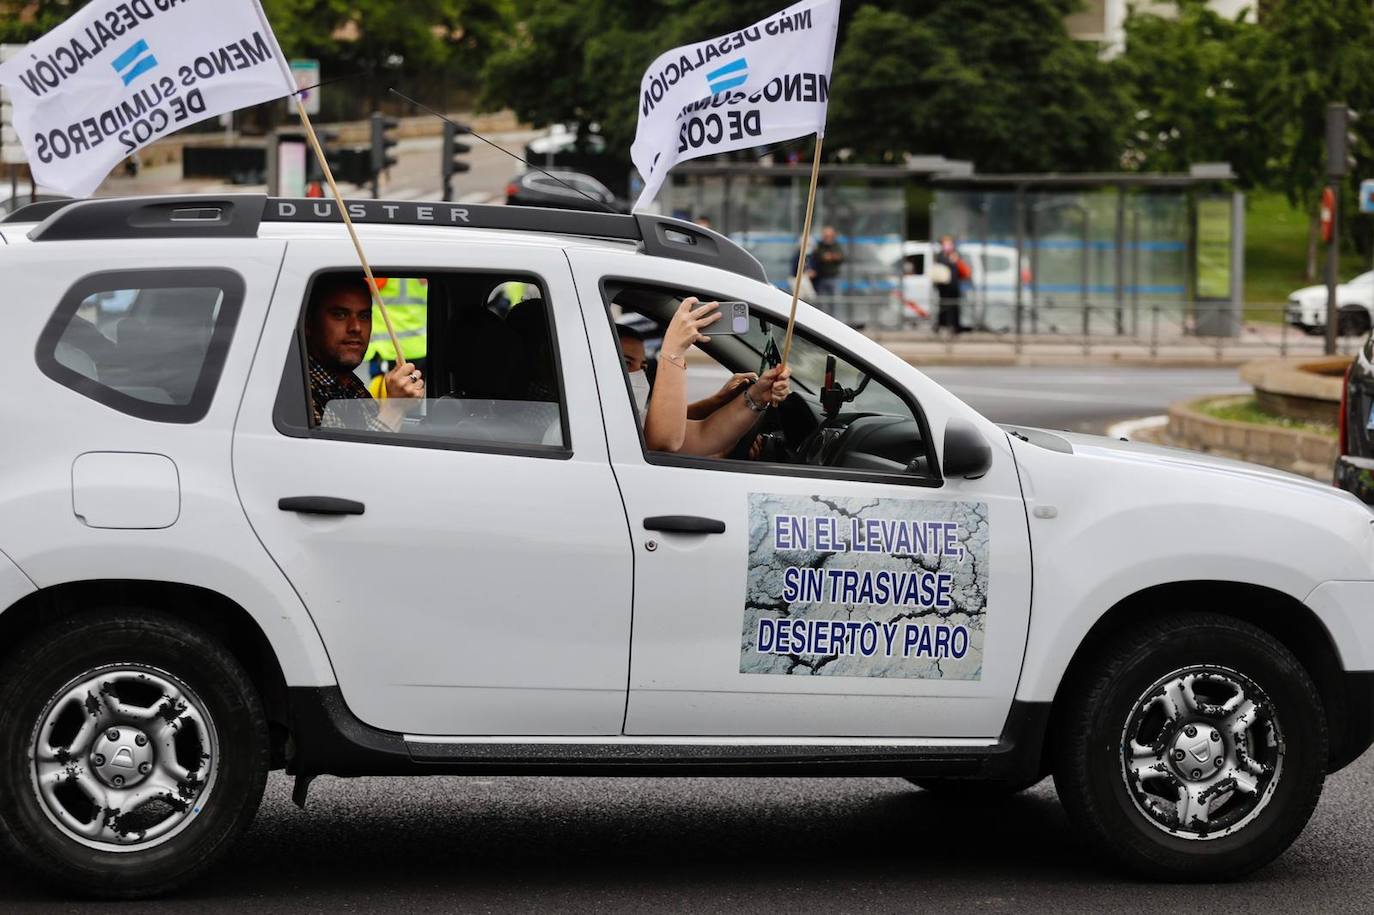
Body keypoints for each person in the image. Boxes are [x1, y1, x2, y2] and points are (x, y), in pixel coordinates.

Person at [621, 298, 790, 456]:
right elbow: (666, 441)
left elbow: (703, 433)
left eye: (643, 366)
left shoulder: (628, 416)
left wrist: (757, 396)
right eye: (627, 363)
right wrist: (673, 350)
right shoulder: (605, 422)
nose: (639, 373)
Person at [305, 274, 425, 432]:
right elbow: (354, 456)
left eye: (364, 316)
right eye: (340, 315)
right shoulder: (302, 396)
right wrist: (394, 408)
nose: (356, 327)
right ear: (308, 323)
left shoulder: (349, 387)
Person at [934, 234, 968, 335]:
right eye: (945, 244)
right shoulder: (940, 255)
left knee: (954, 306)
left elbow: (961, 269)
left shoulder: (956, 255)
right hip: (943, 286)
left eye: (949, 244)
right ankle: (942, 325)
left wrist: (955, 260)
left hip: (954, 286)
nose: (947, 246)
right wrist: (949, 259)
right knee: (943, 306)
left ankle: (955, 326)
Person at [811, 225, 845, 297]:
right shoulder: (819, 246)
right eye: (826, 236)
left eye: (829, 236)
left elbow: (841, 257)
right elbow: (817, 256)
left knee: (835, 300)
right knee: (821, 300)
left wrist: (831, 257)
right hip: (821, 278)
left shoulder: (837, 246)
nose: (827, 238)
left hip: (834, 277)